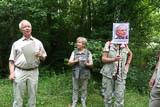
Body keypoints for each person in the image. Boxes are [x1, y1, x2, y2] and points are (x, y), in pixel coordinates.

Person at [9, 20, 47, 107]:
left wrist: (40, 55)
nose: (27, 28)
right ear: (21, 30)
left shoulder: (38, 42)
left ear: (31, 28)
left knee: (32, 96)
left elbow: (44, 57)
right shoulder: (16, 43)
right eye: (24, 27)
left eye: (28, 26)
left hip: (33, 71)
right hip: (19, 71)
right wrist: (12, 73)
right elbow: (11, 61)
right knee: (18, 96)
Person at [100, 41, 132, 107]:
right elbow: (103, 59)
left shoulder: (125, 45)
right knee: (107, 96)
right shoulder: (109, 44)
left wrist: (127, 64)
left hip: (121, 75)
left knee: (120, 97)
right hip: (108, 74)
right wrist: (114, 59)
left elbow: (130, 54)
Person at [68, 37, 93, 107]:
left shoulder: (88, 53)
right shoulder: (74, 52)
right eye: (77, 42)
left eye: (79, 42)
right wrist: (75, 61)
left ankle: (83, 102)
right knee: (75, 88)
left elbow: (91, 64)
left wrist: (87, 64)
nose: (77, 44)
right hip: (75, 73)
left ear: (83, 44)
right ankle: (74, 102)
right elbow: (69, 63)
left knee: (84, 89)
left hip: (85, 74)